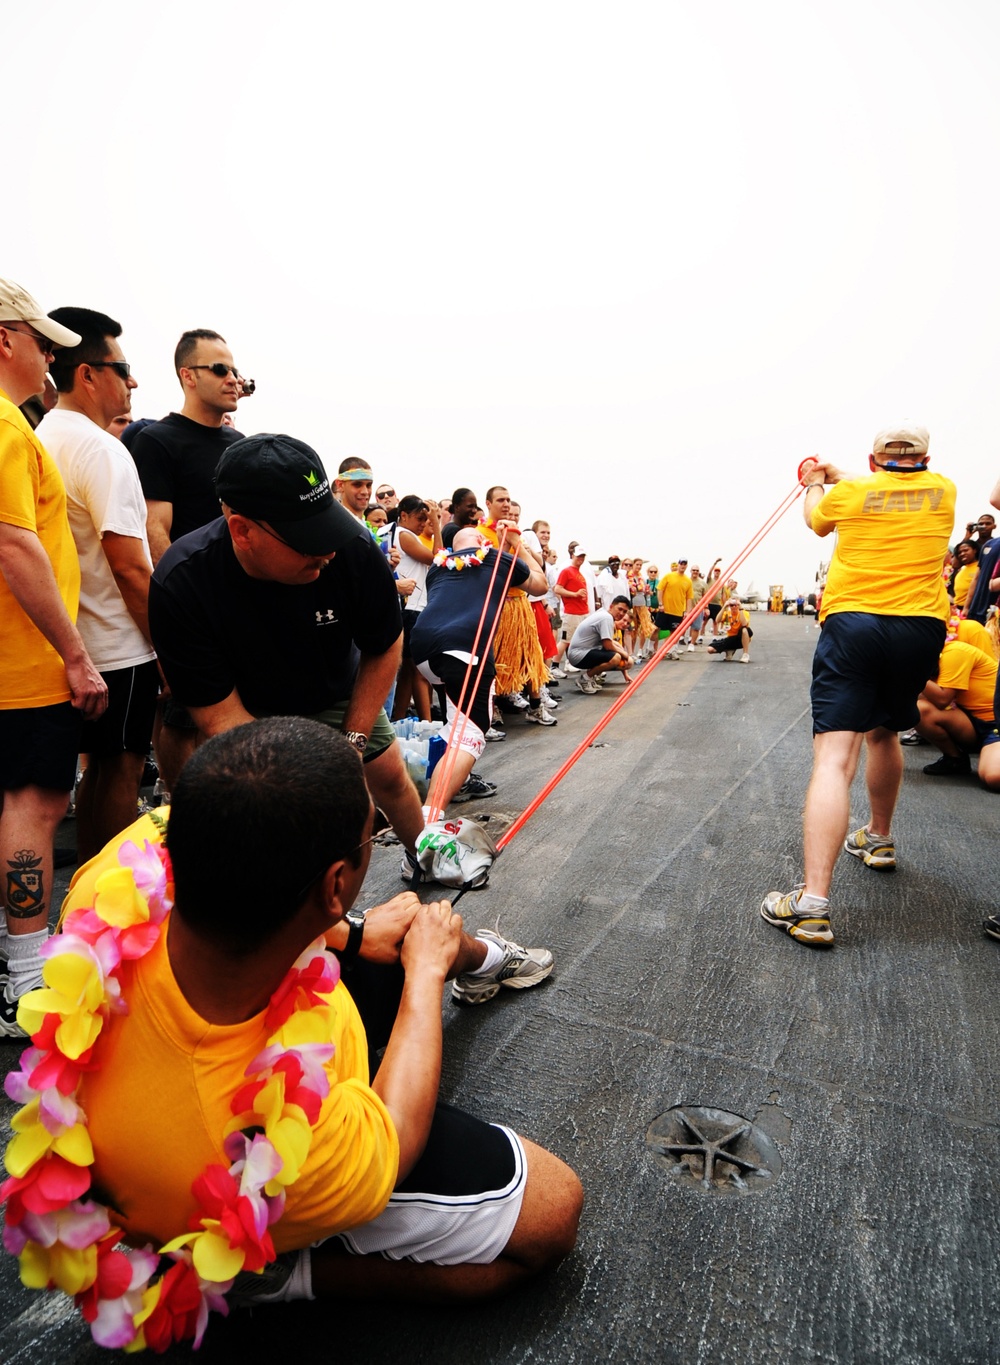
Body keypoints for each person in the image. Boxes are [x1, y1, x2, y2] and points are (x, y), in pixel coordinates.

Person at [25, 718, 580, 1350]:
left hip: (196, 1096)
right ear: (337, 883)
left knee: (385, 944)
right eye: (369, 834)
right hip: (236, 1180)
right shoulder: (293, 1145)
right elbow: (394, 1140)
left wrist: (351, 929)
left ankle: (478, 961)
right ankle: (282, 1273)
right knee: (552, 1211)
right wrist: (425, 972)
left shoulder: (114, 882)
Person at [148, 433, 428, 883]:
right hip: (245, 705)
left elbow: (384, 644)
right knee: (280, 814)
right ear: (242, 530)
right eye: (309, 538)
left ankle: (425, 857)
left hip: (332, 685)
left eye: (328, 526)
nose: (328, 550)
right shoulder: (182, 582)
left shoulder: (353, 549)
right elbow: (219, 718)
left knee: (390, 776)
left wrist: (352, 744)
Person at [761, 423, 956, 949]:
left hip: (855, 622)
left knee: (833, 757)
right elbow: (893, 484)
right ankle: (879, 838)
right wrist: (837, 472)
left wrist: (812, 482)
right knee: (886, 730)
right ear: (925, 458)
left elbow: (816, 522)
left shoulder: (850, 493)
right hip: (919, 627)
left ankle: (813, 905)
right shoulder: (943, 490)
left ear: (872, 461)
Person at [0, 280, 108, 1037]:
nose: (49, 359)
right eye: (42, 342)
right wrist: (74, 653)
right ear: (6, 339)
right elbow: (13, 544)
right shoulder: (6, 425)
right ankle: (26, 973)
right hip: (25, 664)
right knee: (33, 807)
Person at [36, 308, 158, 864]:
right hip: (114, 645)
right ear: (88, 374)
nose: (132, 381)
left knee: (82, 778)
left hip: (59, 643)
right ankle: (103, 900)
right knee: (119, 772)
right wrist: (166, 647)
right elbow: (130, 567)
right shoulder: (102, 449)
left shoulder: (41, 435)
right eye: (123, 367)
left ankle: (79, 897)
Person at [412, 525, 548, 803]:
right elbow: (540, 584)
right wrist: (515, 542)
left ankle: (450, 783)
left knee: (454, 725)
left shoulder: (439, 567)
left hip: (423, 648)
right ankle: (428, 819)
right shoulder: (497, 558)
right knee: (470, 735)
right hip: (464, 649)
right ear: (483, 542)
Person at [131, 329, 245, 565]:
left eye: (234, 371)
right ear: (188, 376)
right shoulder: (156, 441)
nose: (233, 379)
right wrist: (179, 595)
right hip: (193, 592)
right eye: (220, 369)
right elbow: (155, 530)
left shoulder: (240, 443)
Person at [915, 637, 1000, 784]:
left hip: (994, 724)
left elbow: (942, 700)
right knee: (918, 710)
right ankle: (955, 759)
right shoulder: (925, 663)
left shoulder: (954, 652)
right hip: (970, 722)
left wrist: (911, 672)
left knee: (994, 778)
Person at [568, 598, 634, 692]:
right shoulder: (606, 618)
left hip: (586, 651)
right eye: (619, 609)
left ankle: (592, 677)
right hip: (578, 655)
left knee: (627, 661)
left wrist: (623, 654)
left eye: (624, 611)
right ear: (611, 606)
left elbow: (610, 643)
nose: (621, 613)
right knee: (616, 658)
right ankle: (584, 679)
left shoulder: (605, 615)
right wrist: (624, 654)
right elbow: (608, 646)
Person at [655, 559, 693, 660]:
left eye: (685, 564)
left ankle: (671, 651)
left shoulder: (688, 581)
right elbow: (660, 589)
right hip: (665, 609)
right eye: (681, 564)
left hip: (677, 611)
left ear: (686, 566)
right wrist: (660, 604)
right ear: (678, 565)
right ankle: (651, 649)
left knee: (674, 632)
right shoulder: (669, 576)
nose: (683, 566)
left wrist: (687, 612)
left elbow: (689, 597)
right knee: (656, 629)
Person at [707, 595, 753, 662]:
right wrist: (724, 607)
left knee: (745, 629)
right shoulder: (726, 614)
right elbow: (717, 620)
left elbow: (744, 624)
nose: (734, 607)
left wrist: (740, 608)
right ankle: (729, 650)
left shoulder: (744, 612)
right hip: (730, 638)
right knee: (710, 649)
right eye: (731, 605)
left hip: (742, 638)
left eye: (736, 605)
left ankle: (745, 654)